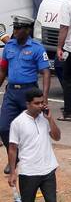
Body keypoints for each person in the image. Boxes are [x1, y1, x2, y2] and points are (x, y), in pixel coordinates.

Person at [0, 16, 50, 175]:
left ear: (27, 30)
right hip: (12, 92)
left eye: (18, 28)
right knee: (4, 127)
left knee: (35, 129)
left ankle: (37, 163)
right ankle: (13, 159)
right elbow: (2, 69)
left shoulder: (37, 48)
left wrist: (45, 98)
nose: (14, 31)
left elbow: (46, 72)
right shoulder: (9, 46)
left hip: (30, 93)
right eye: (14, 28)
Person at [7, 88, 60, 202]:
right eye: (36, 103)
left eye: (42, 102)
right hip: (29, 173)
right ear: (28, 104)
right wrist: (12, 173)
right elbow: (12, 149)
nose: (40, 105)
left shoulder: (45, 118)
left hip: (48, 170)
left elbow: (57, 137)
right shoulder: (18, 123)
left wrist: (50, 119)